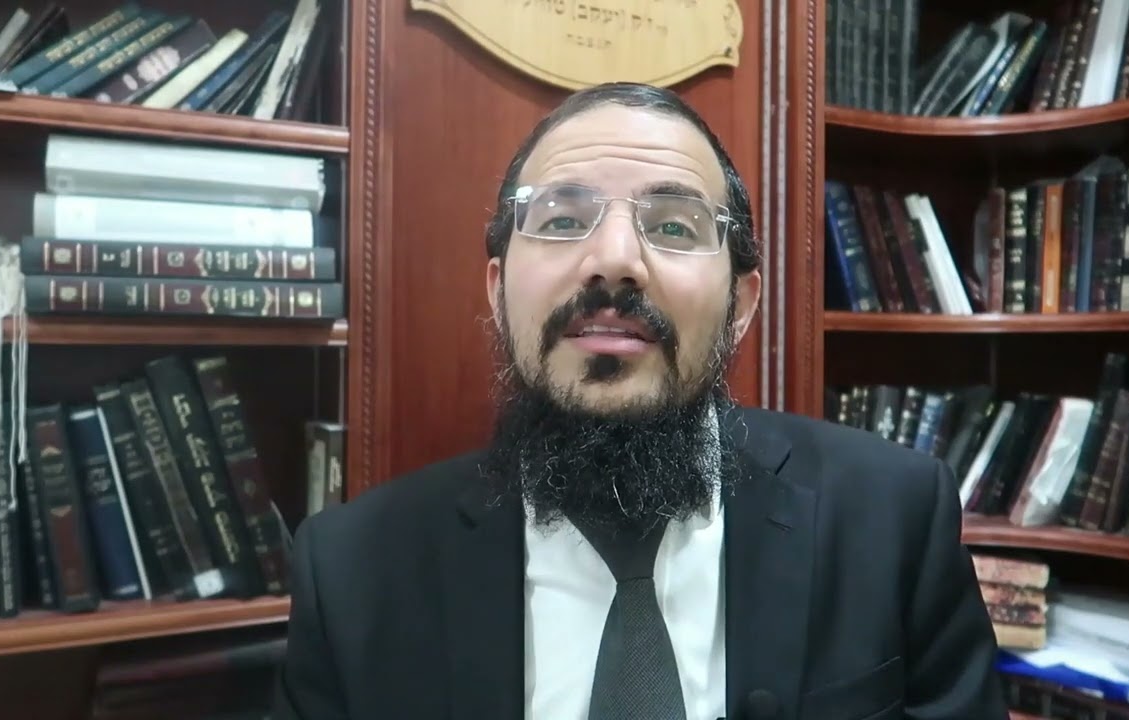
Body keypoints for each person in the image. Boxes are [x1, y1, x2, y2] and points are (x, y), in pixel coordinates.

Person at [273, 82, 1008, 720]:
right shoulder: (351, 575)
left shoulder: (896, 521)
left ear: (741, 304)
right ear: (498, 293)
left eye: (673, 226)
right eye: (563, 221)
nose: (616, 261)